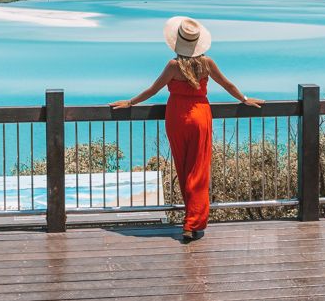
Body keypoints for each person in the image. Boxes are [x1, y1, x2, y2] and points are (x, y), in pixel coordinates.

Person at [109, 16, 264, 242]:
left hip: (177, 118)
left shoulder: (173, 66)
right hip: (200, 116)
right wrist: (245, 99)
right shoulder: (207, 64)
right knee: (198, 170)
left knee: (183, 167)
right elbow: (228, 84)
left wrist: (130, 103)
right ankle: (192, 223)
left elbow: (153, 90)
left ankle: (190, 221)